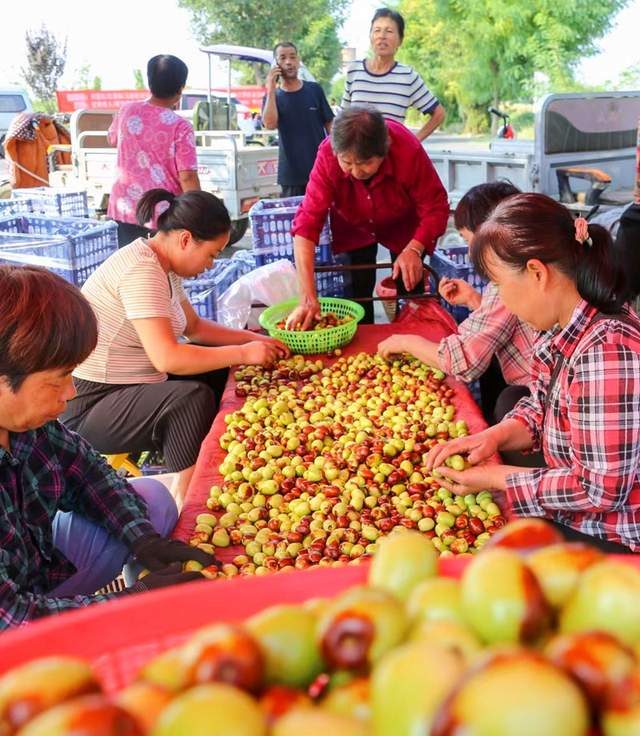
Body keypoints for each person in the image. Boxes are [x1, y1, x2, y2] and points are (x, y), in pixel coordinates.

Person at [0, 265, 215, 630]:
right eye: (58, 380)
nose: (70, 393)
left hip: (37, 573)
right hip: (11, 622)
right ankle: (119, 621)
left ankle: (120, 613)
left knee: (151, 500)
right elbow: (11, 619)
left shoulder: (30, 427)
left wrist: (143, 539)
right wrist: (132, 602)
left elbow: (90, 475)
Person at [425, 193, 640, 553]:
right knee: (511, 400)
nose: (501, 300)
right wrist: (493, 438)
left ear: (537, 273)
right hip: (584, 503)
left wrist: (497, 477)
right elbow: (540, 405)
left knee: (501, 555)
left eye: (499, 286)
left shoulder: (605, 352)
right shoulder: (563, 325)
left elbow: (600, 491)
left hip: (614, 532)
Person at [63, 188, 288, 507]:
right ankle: (188, 502)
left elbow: (195, 329)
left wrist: (255, 340)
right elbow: (167, 357)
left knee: (216, 372)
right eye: (212, 254)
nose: (212, 264)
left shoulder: (163, 266)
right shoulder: (142, 270)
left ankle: (222, 464)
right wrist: (243, 353)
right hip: (91, 403)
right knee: (190, 399)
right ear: (185, 239)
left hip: (130, 385)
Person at [378, 182, 537, 422]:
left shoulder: (511, 276)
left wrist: (407, 341)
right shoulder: (525, 261)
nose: (470, 249)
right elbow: (513, 321)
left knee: (504, 396)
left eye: (467, 238)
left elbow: (466, 362)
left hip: (542, 392)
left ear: (488, 231)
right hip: (544, 382)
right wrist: (475, 300)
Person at [288, 106, 449, 326]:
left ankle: (412, 339)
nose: (355, 172)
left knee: (411, 287)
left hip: (403, 226)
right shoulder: (327, 155)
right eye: (347, 163)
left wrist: (414, 249)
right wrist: (307, 297)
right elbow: (307, 222)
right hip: (352, 225)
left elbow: (435, 206)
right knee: (357, 297)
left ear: (385, 150)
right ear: (336, 152)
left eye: (365, 164)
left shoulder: (407, 148)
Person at [107, 55, 200, 247]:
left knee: (130, 270)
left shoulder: (126, 111)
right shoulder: (180, 126)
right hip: (162, 216)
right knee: (159, 274)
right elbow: (188, 177)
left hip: (124, 209)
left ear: (149, 81)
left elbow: (112, 139)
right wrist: (198, 214)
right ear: (180, 88)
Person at [341, 7, 445, 141]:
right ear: (370, 36)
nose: (382, 36)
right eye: (377, 30)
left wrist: (413, 142)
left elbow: (439, 113)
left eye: (389, 31)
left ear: (400, 40)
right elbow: (343, 118)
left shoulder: (407, 76)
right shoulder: (354, 70)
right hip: (356, 157)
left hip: (391, 158)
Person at [262, 42, 334, 197]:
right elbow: (269, 124)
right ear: (276, 64)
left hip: (320, 169)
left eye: (292, 57)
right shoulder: (273, 97)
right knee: (295, 219)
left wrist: (337, 154)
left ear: (298, 61)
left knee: (327, 218)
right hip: (291, 176)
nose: (288, 62)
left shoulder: (314, 89)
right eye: (282, 58)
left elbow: (330, 124)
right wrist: (271, 89)